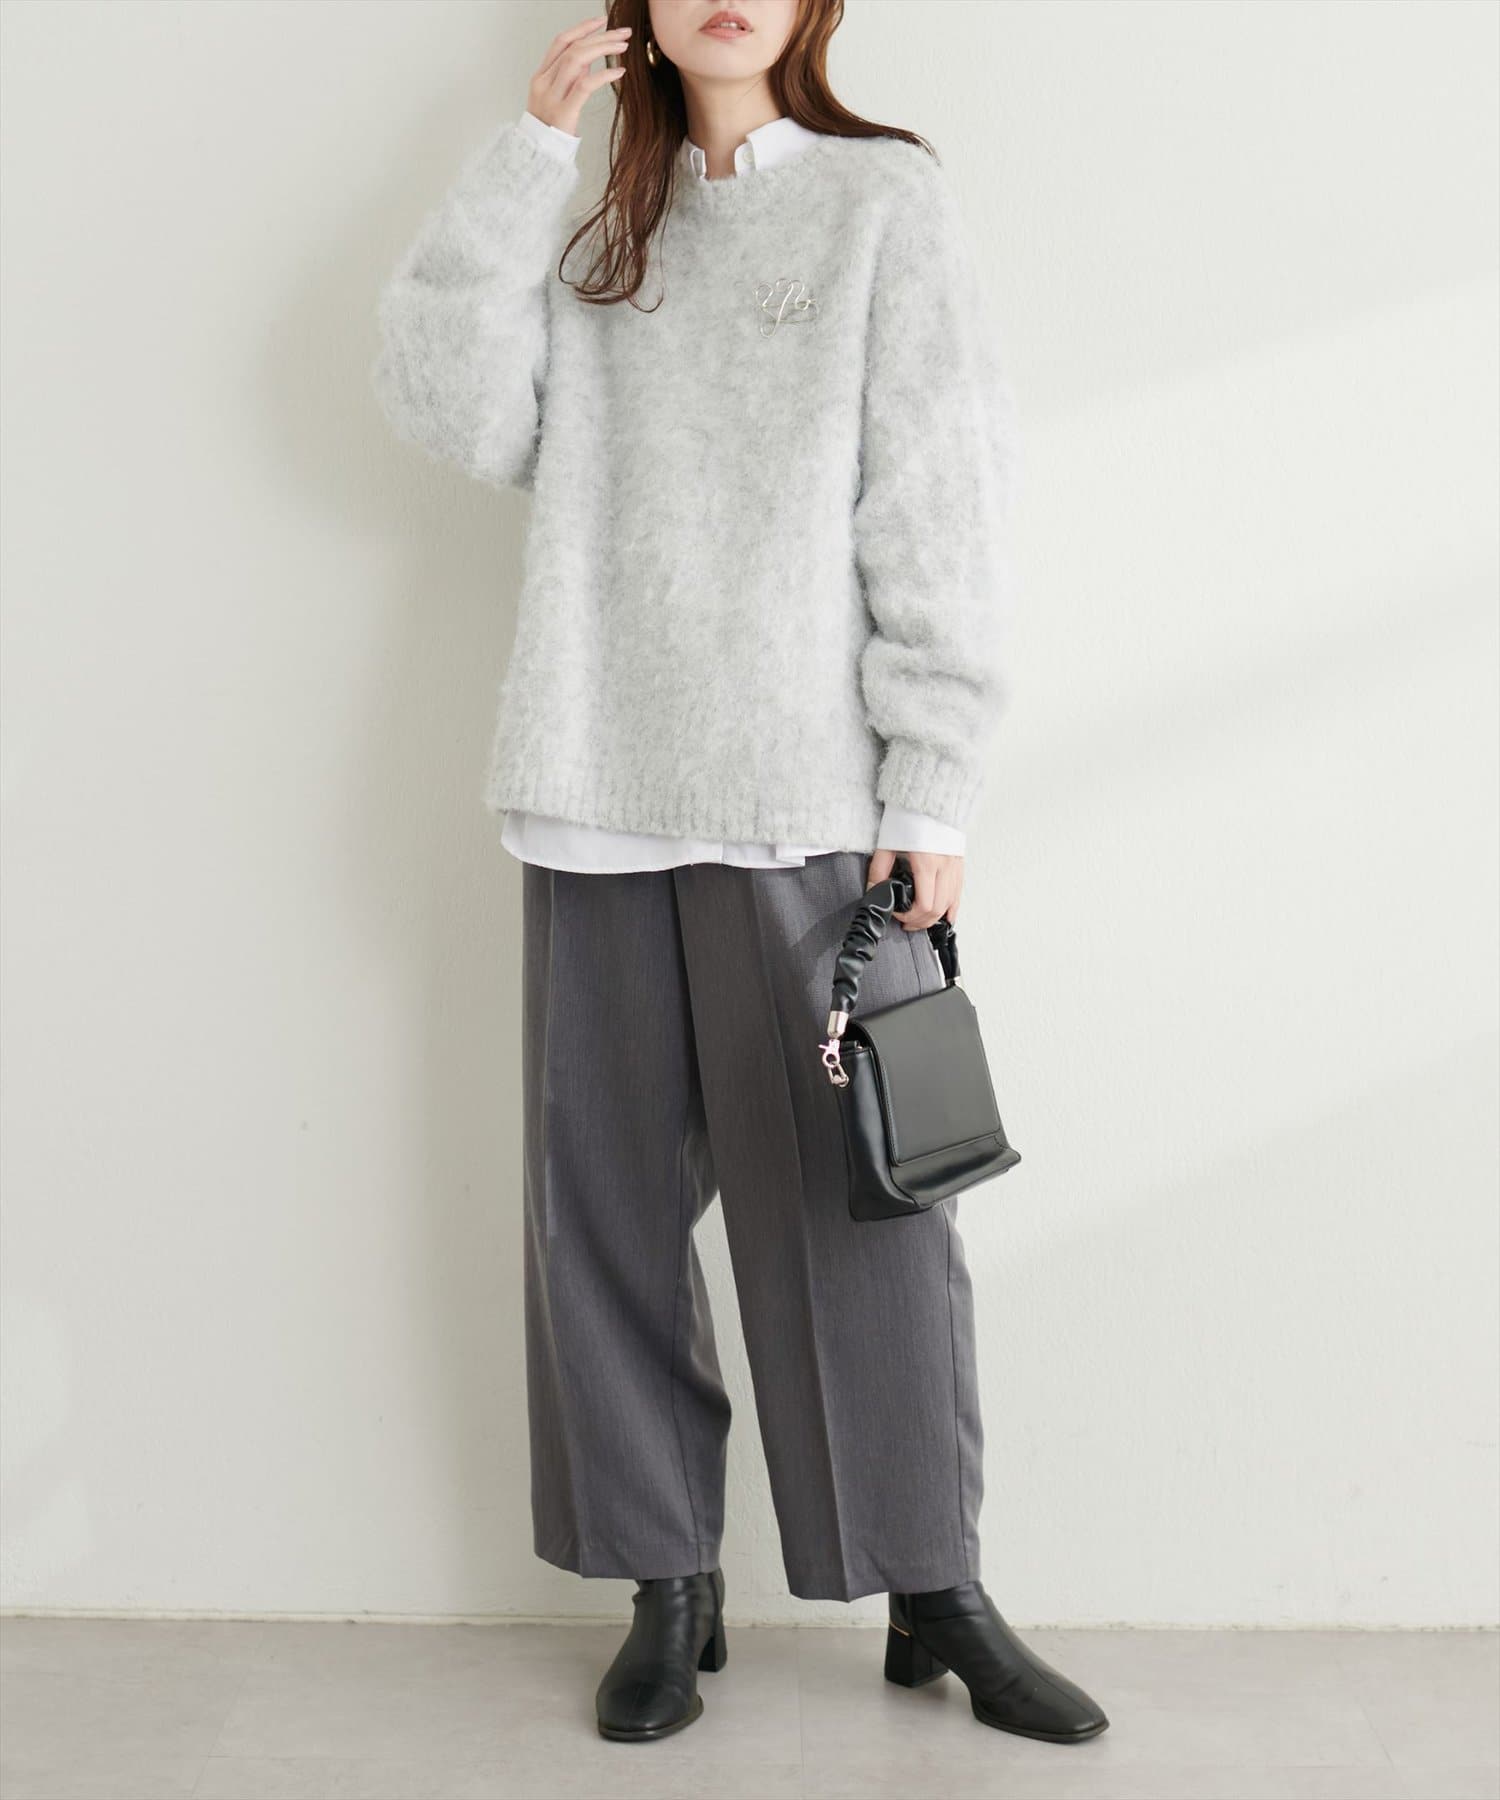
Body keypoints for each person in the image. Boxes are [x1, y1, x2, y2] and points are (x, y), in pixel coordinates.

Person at [372, 0, 1108, 1748]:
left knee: (864, 1213)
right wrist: (525, 154)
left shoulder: (880, 200)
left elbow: (940, 494)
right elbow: (447, 409)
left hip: (811, 807)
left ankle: (932, 1587)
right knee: (606, 1219)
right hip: (597, 785)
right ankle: (665, 1583)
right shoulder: (592, 226)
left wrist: (933, 780)